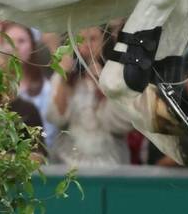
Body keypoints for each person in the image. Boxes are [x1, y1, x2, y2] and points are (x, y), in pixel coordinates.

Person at [46, 26, 134, 165]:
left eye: (93, 39)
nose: (87, 45)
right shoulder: (63, 75)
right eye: (81, 40)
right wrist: (64, 78)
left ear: (104, 41)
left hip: (110, 162)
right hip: (69, 161)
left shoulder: (117, 76)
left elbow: (122, 124)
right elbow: (57, 118)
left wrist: (103, 85)